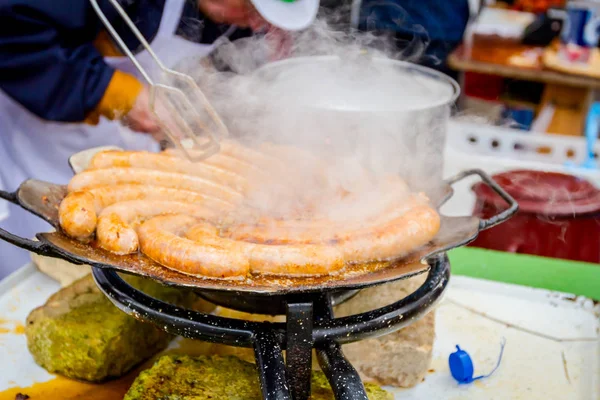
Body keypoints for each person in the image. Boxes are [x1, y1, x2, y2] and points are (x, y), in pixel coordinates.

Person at [0, 0, 319, 278]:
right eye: (250, 6)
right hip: (39, 131)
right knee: (35, 266)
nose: (253, 23)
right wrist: (118, 94)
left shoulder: (230, 18)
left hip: (135, 157)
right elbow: (14, 34)